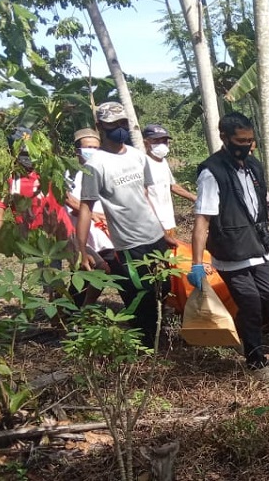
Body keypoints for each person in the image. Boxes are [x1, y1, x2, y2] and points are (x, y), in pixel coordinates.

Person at [188, 112, 269, 382]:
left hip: (259, 245)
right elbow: (202, 220)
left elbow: (257, 192)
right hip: (232, 252)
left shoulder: (253, 165)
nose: (246, 145)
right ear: (224, 137)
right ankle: (256, 361)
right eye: (240, 140)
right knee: (251, 303)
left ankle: (245, 329)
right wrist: (196, 263)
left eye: (250, 140)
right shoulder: (211, 172)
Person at [76, 102, 173, 348]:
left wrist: (163, 230)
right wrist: (82, 249)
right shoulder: (95, 165)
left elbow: (145, 196)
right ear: (100, 127)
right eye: (113, 125)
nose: (119, 129)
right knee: (140, 292)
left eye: (123, 124)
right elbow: (86, 207)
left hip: (154, 236)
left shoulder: (137, 156)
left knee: (164, 284)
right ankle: (146, 343)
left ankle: (155, 332)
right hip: (129, 243)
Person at [0, 127, 74, 256]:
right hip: (37, 239)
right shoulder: (10, 179)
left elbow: (67, 199)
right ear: (11, 152)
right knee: (48, 271)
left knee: (79, 265)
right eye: (23, 153)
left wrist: (92, 213)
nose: (28, 158)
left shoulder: (48, 171)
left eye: (31, 152)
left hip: (63, 230)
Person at [64, 128, 120, 307]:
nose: (93, 151)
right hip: (79, 233)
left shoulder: (103, 170)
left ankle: (82, 308)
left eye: (96, 147)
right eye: (88, 147)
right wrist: (92, 214)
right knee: (87, 271)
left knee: (102, 270)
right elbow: (70, 202)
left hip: (103, 232)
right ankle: (69, 311)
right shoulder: (68, 175)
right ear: (77, 151)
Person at [141, 124, 197, 237]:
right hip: (154, 224)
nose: (162, 144)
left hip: (168, 221)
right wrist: (155, 222)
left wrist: (194, 198)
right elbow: (142, 195)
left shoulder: (163, 162)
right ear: (146, 142)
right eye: (157, 140)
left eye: (165, 141)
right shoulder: (142, 163)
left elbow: (172, 185)